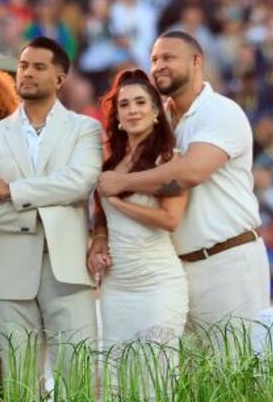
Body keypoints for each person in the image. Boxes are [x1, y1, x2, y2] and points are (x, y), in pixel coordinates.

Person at [97, 31, 269, 329]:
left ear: (196, 61)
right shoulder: (156, 120)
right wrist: (100, 235)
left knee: (236, 356)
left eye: (168, 57)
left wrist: (121, 184)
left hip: (227, 261)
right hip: (172, 269)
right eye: (154, 59)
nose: (159, 66)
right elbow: (109, 178)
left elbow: (190, 173)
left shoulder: (221, 111)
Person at [0, 38, 100, 396]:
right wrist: (39, 217)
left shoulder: (85, 129)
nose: (26, 73)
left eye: (38, 67)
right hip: (10, 271)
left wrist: (10, 191)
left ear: (60, 78)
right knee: (19, 384)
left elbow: (79, 183)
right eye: (23, 65)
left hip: (68, 269)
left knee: (79, 379)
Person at [90, 69, 188, 390]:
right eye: (124, 105)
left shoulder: (169, 159)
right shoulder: (110, 163)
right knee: (115, 380)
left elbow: (170, 219)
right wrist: (99, 239)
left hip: (157, 283)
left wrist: (119, 202)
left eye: (140, 102)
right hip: (116, 286)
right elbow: (101, 213)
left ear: (156, 110)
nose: (132, 110)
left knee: (155, 378)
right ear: (117, 116)